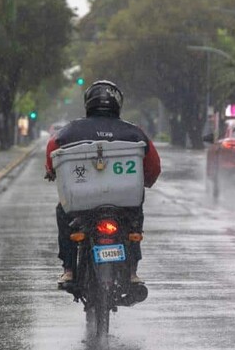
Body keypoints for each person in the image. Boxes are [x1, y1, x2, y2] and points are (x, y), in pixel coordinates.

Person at [45, 80, 161, 286]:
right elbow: (153, 166)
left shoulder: (70, 131)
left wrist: (51, 171)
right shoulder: (134, 133)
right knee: (134, 220)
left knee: (63, 213)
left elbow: (52, 150)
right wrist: (148, 180)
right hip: (125, 204)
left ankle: (69, 269)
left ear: (88, 102)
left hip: (81, 203)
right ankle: (132, 271)